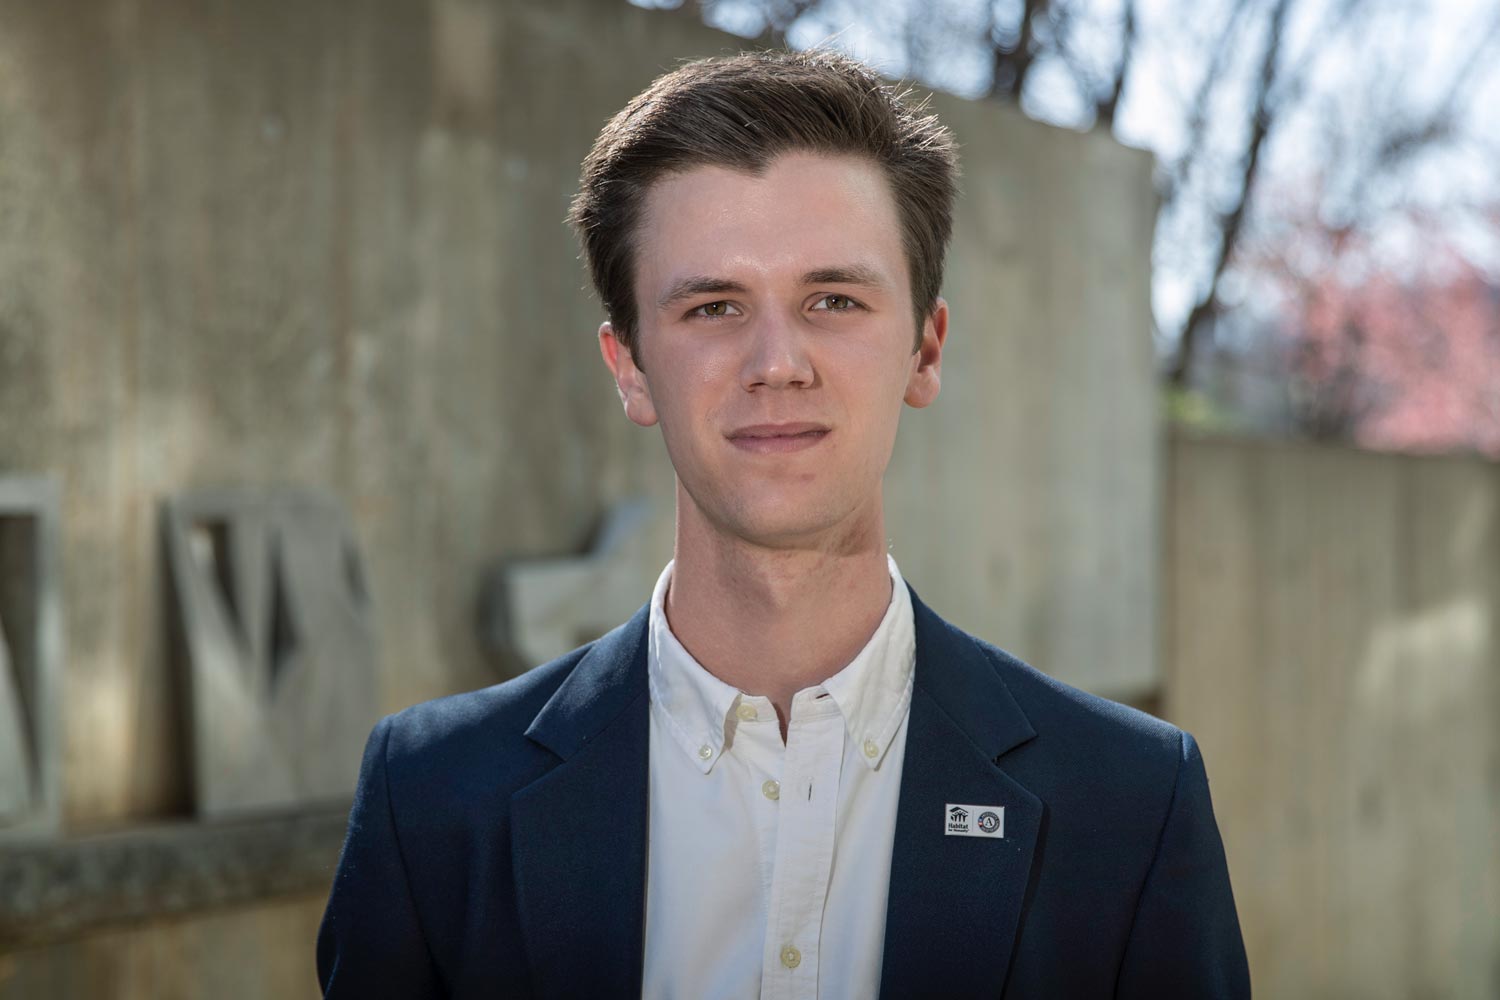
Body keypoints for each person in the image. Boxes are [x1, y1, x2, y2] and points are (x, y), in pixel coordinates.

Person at [316, 48, 1250, 999]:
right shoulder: (430, 801)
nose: (777, 362)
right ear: (629, 366)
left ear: (925, 351)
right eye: (714, 306)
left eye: (833, 300)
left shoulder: (1130, 806)